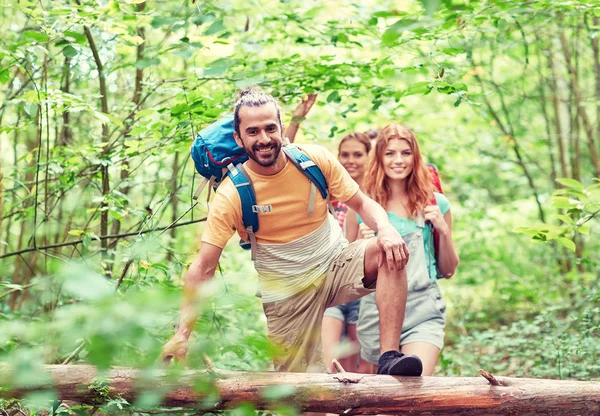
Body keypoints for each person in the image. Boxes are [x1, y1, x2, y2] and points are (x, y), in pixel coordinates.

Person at [162, 88, 423, 376]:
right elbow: (203, 266)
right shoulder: (231, 195)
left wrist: (385, 228)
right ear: (239, 138)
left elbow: (360, 201)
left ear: (282, 128)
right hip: (286, 294)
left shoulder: (314, 161)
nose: (263, 139)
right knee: (303, 396)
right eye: (253, 131)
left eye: (270, 128)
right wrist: (182, 333)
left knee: (389, 248)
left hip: (336, 264)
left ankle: (389, 358)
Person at [346, 123, 459, 376]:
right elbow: (350, 279)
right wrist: (359, 247)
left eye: (405, 153)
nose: (398, 160)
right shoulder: (362, 209)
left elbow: (449, 270)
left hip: (423, 310)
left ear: (415, 157)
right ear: (379, 158)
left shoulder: (435, 203)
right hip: (375, 314)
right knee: (383, 401)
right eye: (390, 153)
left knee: (413, 387)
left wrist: (443, 230)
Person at [321, 133, 372, 372]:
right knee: (329, 362)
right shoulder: (328, 192)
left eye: (358, 154)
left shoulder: (375, 199)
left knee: (356, 366)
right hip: (331, 285)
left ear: (370, 157)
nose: (350, 160)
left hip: (364, 291)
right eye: (345, 155)